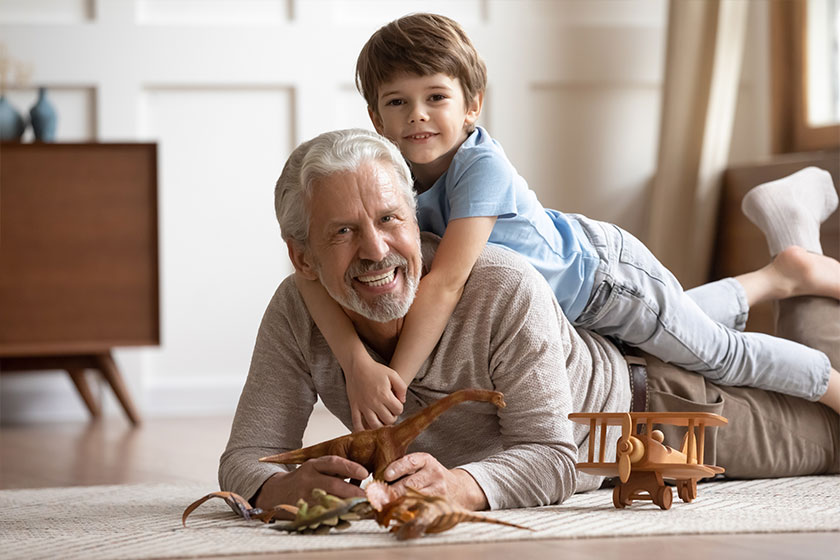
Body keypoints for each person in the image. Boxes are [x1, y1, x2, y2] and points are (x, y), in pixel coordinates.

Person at [218, 128, 839, 511]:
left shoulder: (498, 284)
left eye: (389, 220)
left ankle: (797, 253)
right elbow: (246, 454)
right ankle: (791, 259)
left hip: (655, 407)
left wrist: (462, 485)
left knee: (833, 440)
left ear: (415, 217)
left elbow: (553, 453)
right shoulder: (294, 311)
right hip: (598, 342)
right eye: (344, 232)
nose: (377, 250)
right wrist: (275, 489)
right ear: (302, 256)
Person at [295, 13, 840, 431]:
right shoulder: (390, 174)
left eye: (435, 96)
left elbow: (446, 283)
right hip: (561, 307)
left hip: (605, 283)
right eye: (398, 101)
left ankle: (830, 385)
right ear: (375, 118)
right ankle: (780, 275)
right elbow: (308, 274)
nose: (417, 114)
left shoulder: (480, 165)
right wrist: (354, 362)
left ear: (471, 105)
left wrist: (396, 384)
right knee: (678, 328)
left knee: (716, 353)